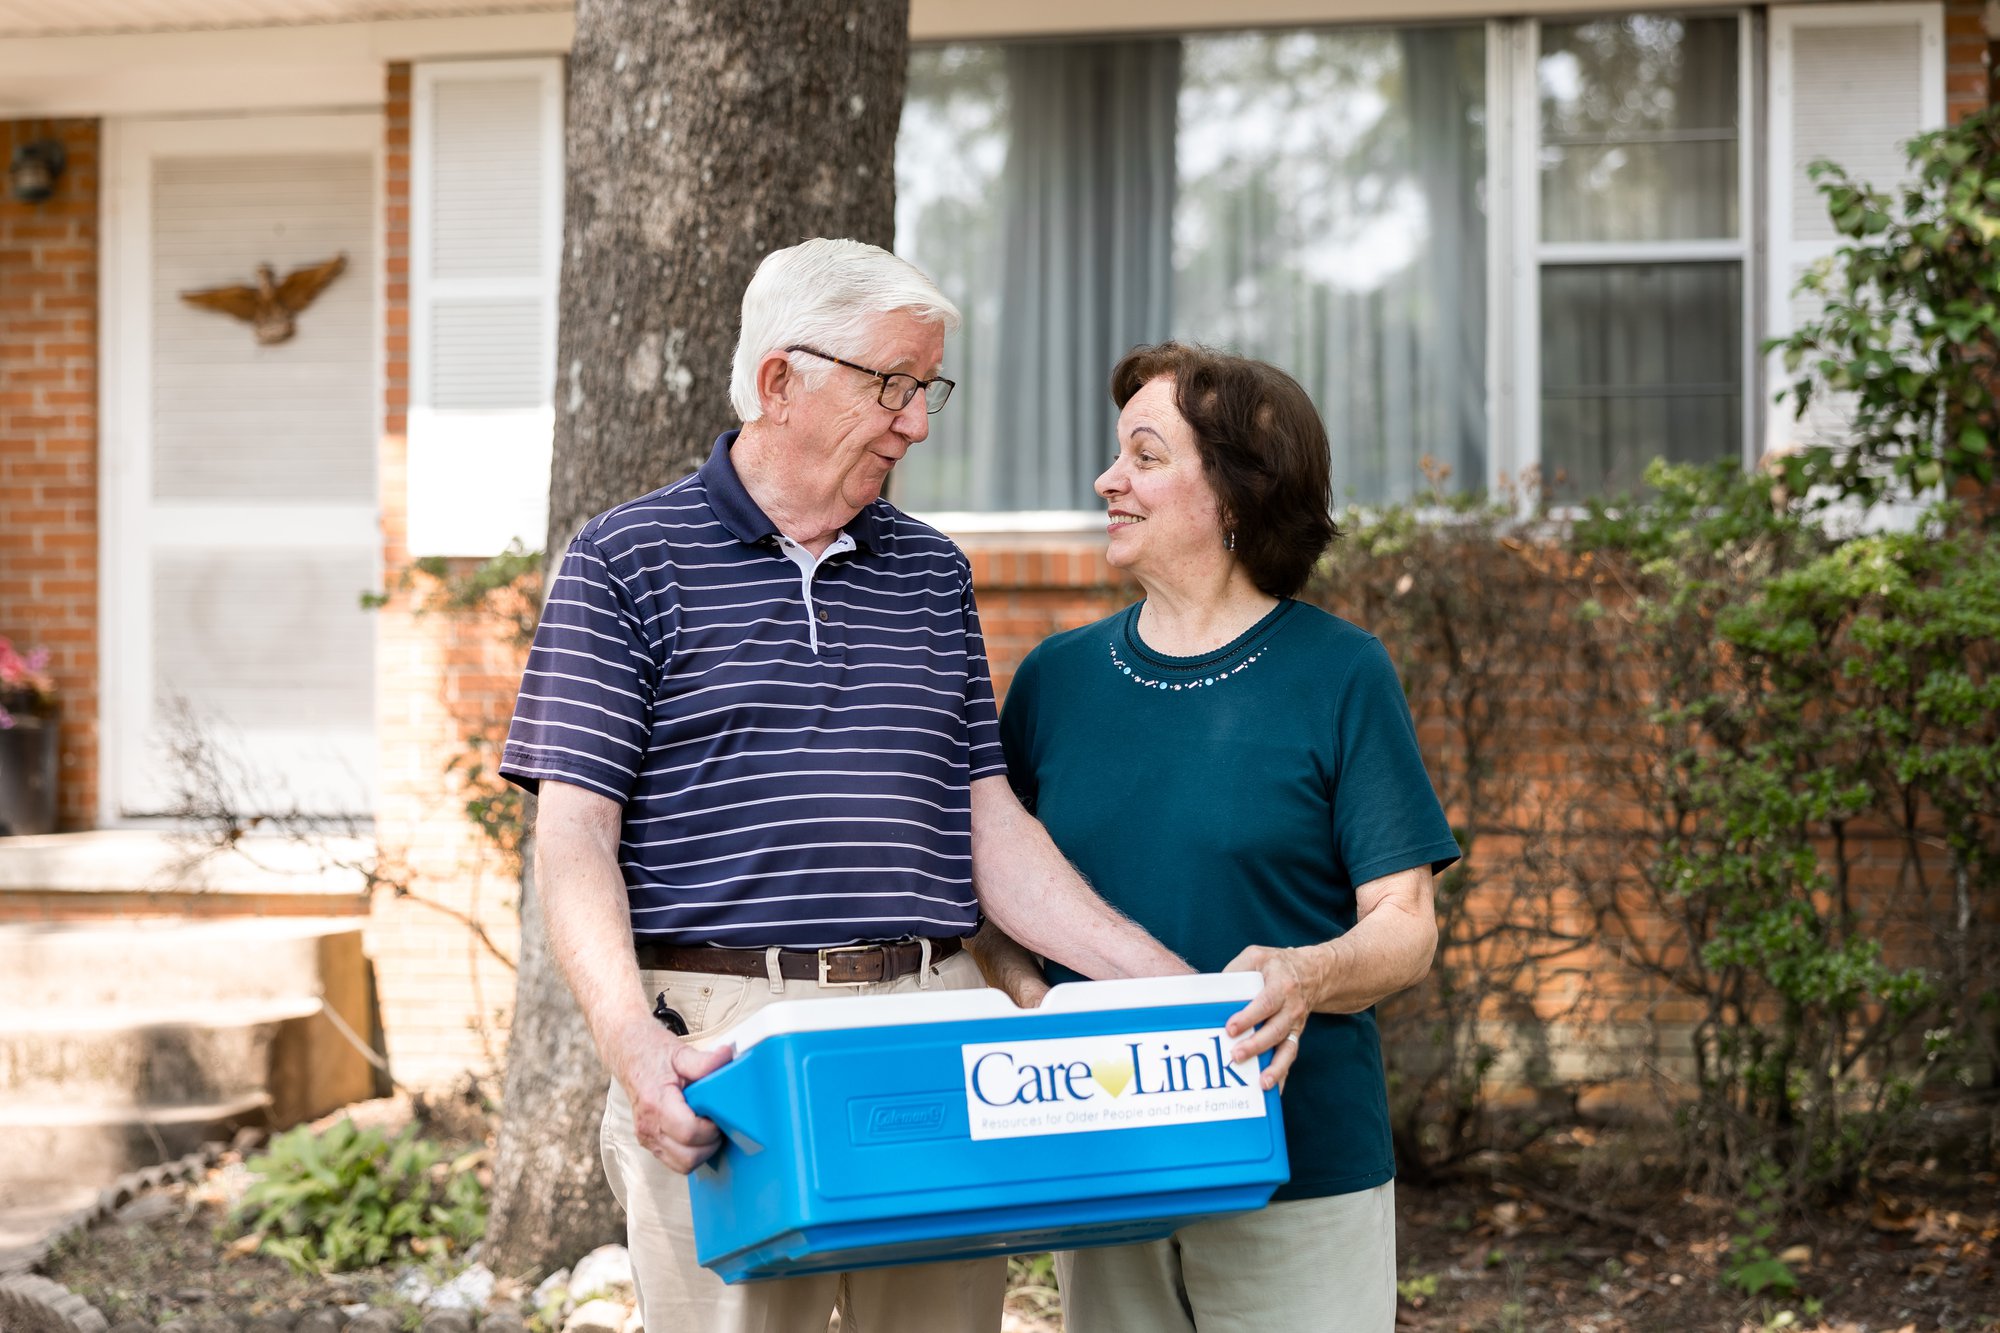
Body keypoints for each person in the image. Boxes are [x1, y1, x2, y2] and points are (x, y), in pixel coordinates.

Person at [497, 239, 1199, 1333]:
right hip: (729, 1040)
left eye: (927, 390)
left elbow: (988, 826)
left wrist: (1176, 994)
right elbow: (573, 839)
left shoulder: (927, 572)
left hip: (933, 1019)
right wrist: (636, 1047)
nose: (916, 422)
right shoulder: (624, 559)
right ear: (781, 380)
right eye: (892, 386)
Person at [994, 342, 1461, 1332]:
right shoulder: (1053, 682)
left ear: (1236, 492)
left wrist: (1303, 975)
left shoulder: (1338, 673)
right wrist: (1025, 996)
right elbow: (994, 894)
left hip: (1300, 1165)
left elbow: (1405, 925)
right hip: (1102, 1154)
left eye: (1145, 455)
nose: (1106, 479)